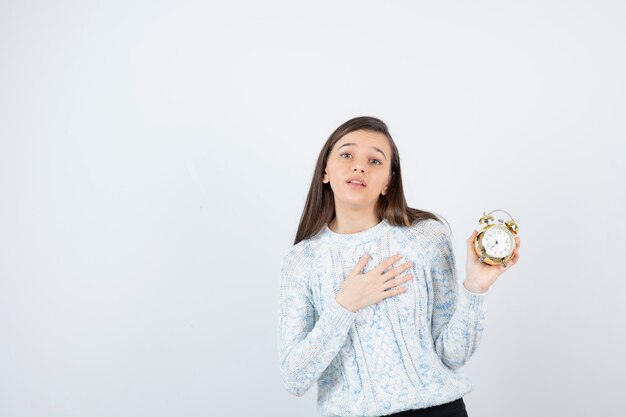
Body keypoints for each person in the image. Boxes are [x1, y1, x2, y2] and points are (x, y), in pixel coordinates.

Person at [277, 116, 521, 417]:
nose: (359, 166)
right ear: (325, 171)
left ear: (388, 181)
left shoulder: (426, 237)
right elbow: (294, 378)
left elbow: (452, 356)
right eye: (346, 154)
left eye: (375, 161)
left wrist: (476, 288)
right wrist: (346, 304)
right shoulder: (301, 260)